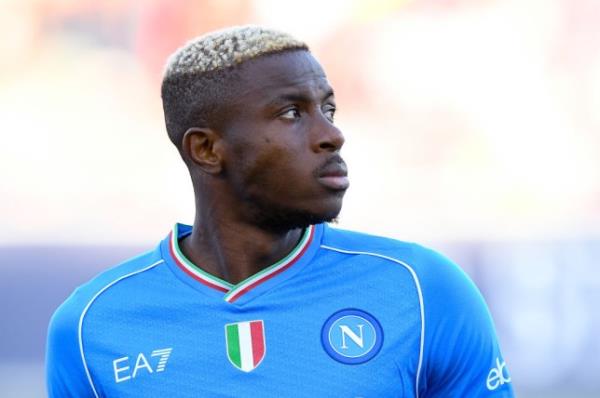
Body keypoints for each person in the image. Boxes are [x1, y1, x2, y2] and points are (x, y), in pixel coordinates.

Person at [46, 26, 514, 397]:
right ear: (207, 149)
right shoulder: (92, 326)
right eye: (292, 113)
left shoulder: (423, 289)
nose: (331, 134)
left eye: (328, 108)